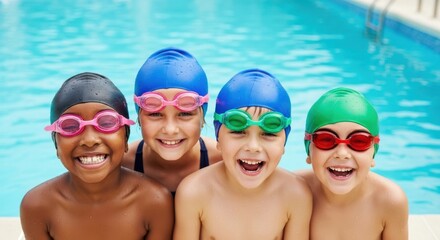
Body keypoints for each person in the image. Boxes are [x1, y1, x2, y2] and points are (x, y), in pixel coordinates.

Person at [20, 72, 174, 240]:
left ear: (125, 139)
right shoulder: (37, 206)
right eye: (70, 126)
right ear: (56, 143)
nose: (89, 140)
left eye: (106, 123)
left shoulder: (154, 201)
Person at [173, 69, 312, 240]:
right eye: (238, 132)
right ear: (218, 139)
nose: (253, 147)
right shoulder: (194, 192)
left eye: (268, 134)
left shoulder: (295, 195)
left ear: (284, 144)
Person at [298, 87, 408, 240]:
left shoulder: (389, 200)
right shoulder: (294, 191)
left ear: (373, 152)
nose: (342, 154)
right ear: (308, 150)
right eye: (325, 139)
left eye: (359, 141)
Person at [122, 47, 222, 196]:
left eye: (185, 114)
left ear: (202, 117)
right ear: (138, 117)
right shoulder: (122, 165)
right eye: (155, 114)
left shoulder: (222, 162)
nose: (170, 129)